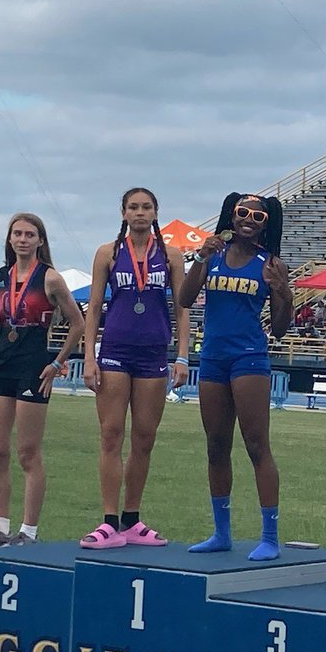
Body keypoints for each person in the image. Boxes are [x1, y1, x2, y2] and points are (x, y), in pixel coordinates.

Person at [179, 192, 293, 561]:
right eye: (242, 213)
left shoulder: (270, 263)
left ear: (266, 223)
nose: (248, 220)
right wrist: (200, 257)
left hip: (248, 358)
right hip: (212, 358)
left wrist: (284, 293)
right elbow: (184, 298)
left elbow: (278, 329)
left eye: (257, 217)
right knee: (215, 446)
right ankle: (221, 532)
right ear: (231, 215)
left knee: (256, 445)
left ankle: (270, 536)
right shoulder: (211, 256)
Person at [80, 189, 191, 549]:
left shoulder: (171, 255)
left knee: (144, 438)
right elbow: (94, 307)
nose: (140, 213)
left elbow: (182, 307)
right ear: (123, 213)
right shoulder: (108, 253)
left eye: (146, 207)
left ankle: (132, 518)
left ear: (156, 212)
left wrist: (183, 355)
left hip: (153, 354)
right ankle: (109, 520)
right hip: (114, 352)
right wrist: (89, 357)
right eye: (133, 207)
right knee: (111, 434)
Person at [0, 213, 85, 549]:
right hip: (3, 365)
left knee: (28, 452)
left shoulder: (50, 279)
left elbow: (77, 323)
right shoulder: (0, 277)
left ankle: (28, 532)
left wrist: (57, 363)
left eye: (29, 234)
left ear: (40, 241)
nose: (22, 239)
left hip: (34, 364)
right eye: (17, 233)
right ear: (9, 239)